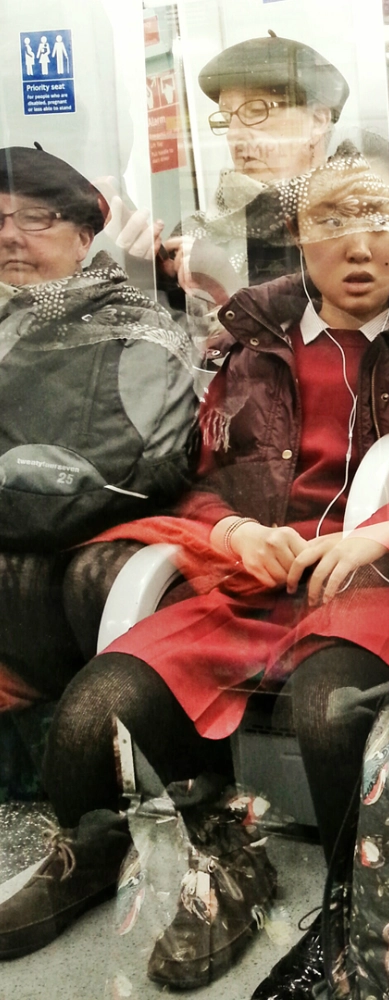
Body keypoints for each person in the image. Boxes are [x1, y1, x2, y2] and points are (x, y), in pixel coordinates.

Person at [0, 149, 389, 990]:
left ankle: (356, 907)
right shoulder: (253, 349)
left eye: (379, 221)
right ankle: (121, 849)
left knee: (331, 708)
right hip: (254, 582)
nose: (360, 246)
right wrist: (236, 532)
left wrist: (383, 536)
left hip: (376, 585)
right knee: (94, 710)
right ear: (297, 236)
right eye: (332, 222)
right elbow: (198, 478)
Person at [0, 145, 197, 798]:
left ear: (86, 236)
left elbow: (145, 466)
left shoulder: (133, 325)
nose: (11, 236)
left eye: (36, 218)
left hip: (102, 547)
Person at [115, 32, 350, 313]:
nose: (235, 134)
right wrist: (155, 279)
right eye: (227, 118)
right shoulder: (198, 232)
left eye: (256, 111)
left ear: (317, 121)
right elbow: (179, 335)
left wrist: (227, 289)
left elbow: (348, 328)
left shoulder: (358, 222)